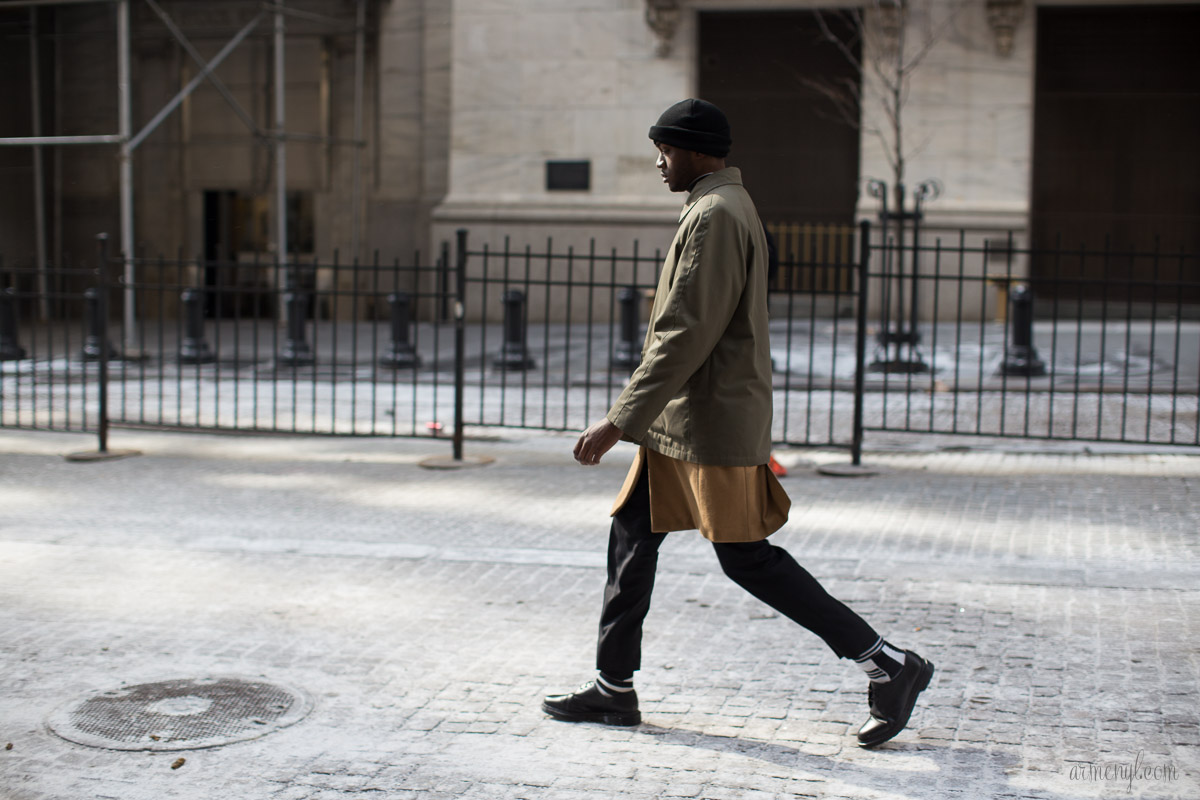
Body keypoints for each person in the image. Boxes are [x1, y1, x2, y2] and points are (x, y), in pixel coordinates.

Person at [541, 99, 933, 748]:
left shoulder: (717, 215)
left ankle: (888, 663)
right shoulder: (715, 207)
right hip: (681, 421)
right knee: (632, 537)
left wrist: (618, 420)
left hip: (708, 421)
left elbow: (685, 332)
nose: (658, 162)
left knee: (747, 558)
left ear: (695, 151)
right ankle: (614, 688)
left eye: (665, 150)